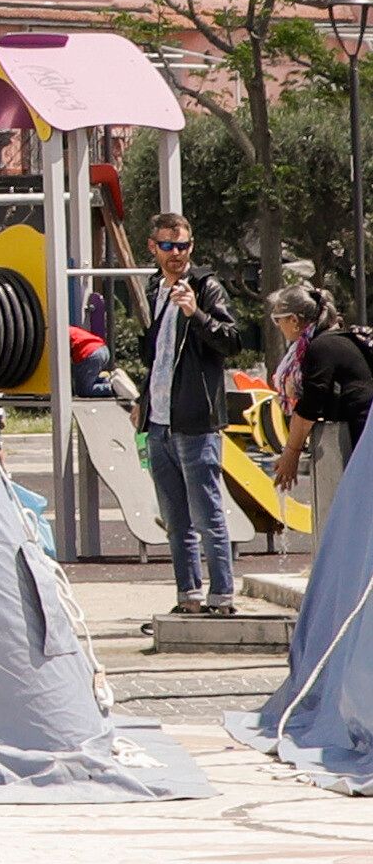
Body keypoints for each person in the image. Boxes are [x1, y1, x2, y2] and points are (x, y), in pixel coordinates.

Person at [139, 219, 247, 615]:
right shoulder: (155, 288)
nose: (176, 254)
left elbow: (232, 340)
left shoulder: (206, 287)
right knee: (175, 518)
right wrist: (142, 398)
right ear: (153, 247)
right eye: (168, 246)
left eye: (182, 246)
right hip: (160, 420)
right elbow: (157, 354)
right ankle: (189, 595)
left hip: (196, 420)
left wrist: (197, 314)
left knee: (207, 513)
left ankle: (222, 596)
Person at [273, 284, 369, 532]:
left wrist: (291, 453)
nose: (278, 327)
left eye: (278, 320)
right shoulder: (336, 341)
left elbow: (309, 408)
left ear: (294, 320)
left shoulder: (321, 347)